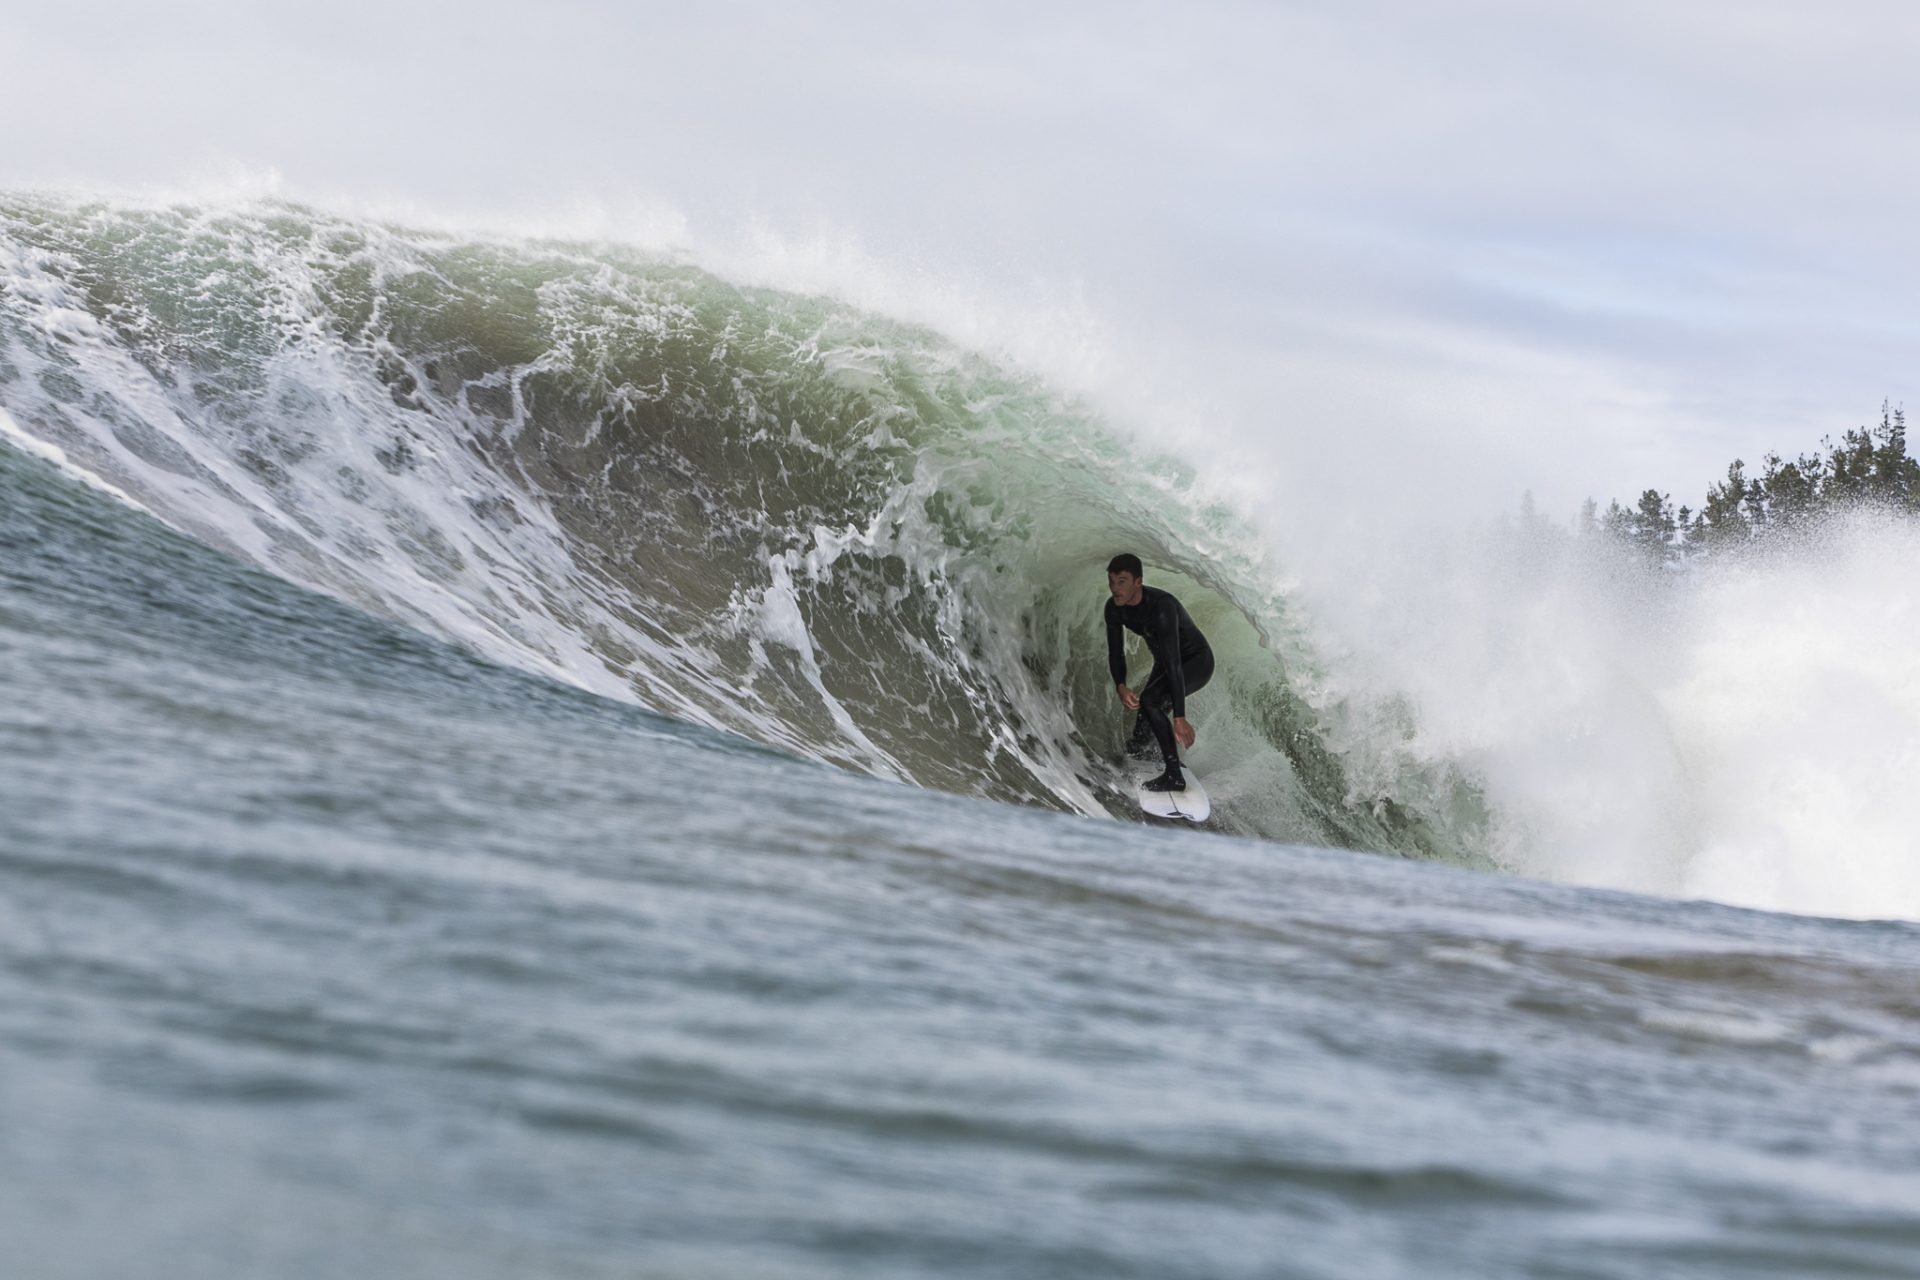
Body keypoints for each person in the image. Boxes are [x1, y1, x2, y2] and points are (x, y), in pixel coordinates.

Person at [1104, 553, 1213, 792]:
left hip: (1196, 662)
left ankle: (1174, 775)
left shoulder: (1161, 607)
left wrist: (1179, 718)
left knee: (1151, 700)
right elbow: (1116, 653)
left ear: (1138, 582)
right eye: (1111, 581)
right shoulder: (1114, 609)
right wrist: (1120, 685)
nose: (1115, 588)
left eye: (1122, 581)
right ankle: (1147, 752)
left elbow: (1175, 663)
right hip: (1165, 664)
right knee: (1143, 725)